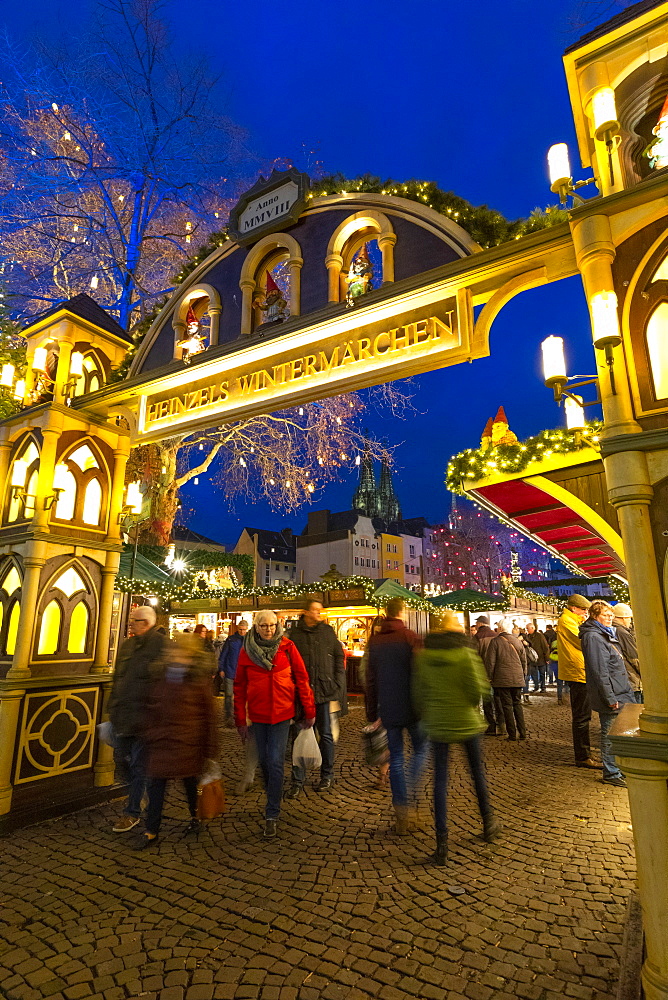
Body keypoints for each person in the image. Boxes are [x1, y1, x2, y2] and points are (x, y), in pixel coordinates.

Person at [413, 611, 501, 865]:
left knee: (439, 781)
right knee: (477, 775)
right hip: (466, 723)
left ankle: (442, 844)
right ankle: (488, 823)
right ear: (458, 631)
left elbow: (418, 694)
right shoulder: (465, 653)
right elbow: (479, 690)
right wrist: (468, 704)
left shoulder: (424, 656)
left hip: (438, 724)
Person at [234, 610, 315, 838]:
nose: (268, 629)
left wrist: (309, 709)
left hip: (282, 714)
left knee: (276, 761)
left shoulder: (287, 647)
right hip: (258, 715)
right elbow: (239, 686)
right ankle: (272, 790)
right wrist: (239, 718)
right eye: (263, 626)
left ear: (277, 625)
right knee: (264, 763)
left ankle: (272, 812)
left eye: (271, 625)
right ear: (256, 627)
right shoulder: (246, 651)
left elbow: (301, 678)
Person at [139, 635, 219, 848]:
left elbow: (209, 717)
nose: (176, 656)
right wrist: (150, 732)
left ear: (191, 655)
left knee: (190, 784)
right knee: (156, 786)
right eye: (174, 652)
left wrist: (210, 750)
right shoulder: (161, 676)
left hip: (188, 744)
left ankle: (196, 817)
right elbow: (151, 707)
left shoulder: (198, 681)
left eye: (182, 653)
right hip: (162, 742)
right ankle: (151, 829)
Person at [366, 598, 428, 835]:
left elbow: (370, 679)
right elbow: (421, 673)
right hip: (412, 707)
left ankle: (402, 813)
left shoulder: (376, 641)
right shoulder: (410, 637)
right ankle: (412, 795)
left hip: (389, 708)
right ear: (402, 612)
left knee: (397, 759)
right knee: (421, 749)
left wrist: (372, 711)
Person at [108, 606, 166, 833]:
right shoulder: (127, 645)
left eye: (136, 621)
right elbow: (118, 677)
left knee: (139, 765)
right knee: (121, 759)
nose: (131, 624)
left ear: (148, 623)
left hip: (145, 717)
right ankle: (142, 793)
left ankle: (132, 811)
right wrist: (113, 705)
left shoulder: (160, 646)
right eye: (131, 620)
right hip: (123, 715)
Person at [287, 600, 346, 795]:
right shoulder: (295, 634)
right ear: (306, 612)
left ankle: (327, 775)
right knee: (298, 735)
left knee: (326, 735)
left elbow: (339, 656)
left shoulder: (327, 632)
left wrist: (336, 681)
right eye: (315, 609)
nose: (319, 612)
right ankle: (298, 779)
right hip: (301, 694)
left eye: (320, 609)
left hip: (323, 690)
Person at [580, 601, 635, 788]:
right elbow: (599, 671)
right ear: (595, 616)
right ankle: (611, 772)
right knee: (610, 734)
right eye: (605, 615)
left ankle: (616, 769)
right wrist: (610, 698)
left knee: (616, 732)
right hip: (613, 694)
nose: (610, 618)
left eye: (611, 615)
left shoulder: (604, 634)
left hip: (620, 690)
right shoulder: (594, 637)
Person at [557, 594, 599, 769]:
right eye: (584, 610)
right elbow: (583, 641)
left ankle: (585, 753)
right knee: (581, 717)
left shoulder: (572, 620)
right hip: (577, 672)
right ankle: (582, 755)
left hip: (580, 671)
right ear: (574, 608)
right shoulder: (567, 621)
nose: (586, 614)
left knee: (583, 715)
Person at [483, 619, 527, 741]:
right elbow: (524, 661)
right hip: (517, 678)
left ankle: (512, 734)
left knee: (507, 706)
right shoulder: (517, 642)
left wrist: (489, 677)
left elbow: (490, 662)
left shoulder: (495, 642)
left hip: (502, 679)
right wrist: (523, 675)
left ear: (501, 629)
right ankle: (522, 733)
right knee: (517, 704)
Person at [475, 616, 503, 736]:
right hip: (497, 672)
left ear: (480, 624)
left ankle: (491, 725)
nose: (475, 625)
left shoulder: (477, 637)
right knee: (498, 699)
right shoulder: (496, 635)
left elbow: (475, 656)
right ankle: (501, 724)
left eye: (476, 623)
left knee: (487, 700)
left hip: (483, 672)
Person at [218, 620, 249, 725]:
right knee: (228, 696)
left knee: (241, 697)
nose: (242, 632)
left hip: (243, 674)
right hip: (230, 671)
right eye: (240, 629)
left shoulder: (249, 641)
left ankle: (239, 716)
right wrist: (221, 669)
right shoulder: (231, 640)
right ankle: (229, 716)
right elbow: (223, 655)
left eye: (244, 630)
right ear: (237, 628)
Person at [612, 604, 643, 704]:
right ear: (623, 618)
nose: (630, 621)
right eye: (629, 618)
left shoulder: (614, 629)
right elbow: (634, 658)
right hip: (632, 680)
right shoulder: (622, 632)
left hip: (623, 680)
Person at [525, 623, 550, 694]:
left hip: (541, 658)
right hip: (532, 659)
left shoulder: (540, 636)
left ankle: (543, 687)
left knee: (542, 674)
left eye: (528, 629)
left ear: (532, 628)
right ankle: (536, 686)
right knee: (534, 674)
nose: (527, 630)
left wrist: (547, 658)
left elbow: (545, 647)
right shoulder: (528, 636)